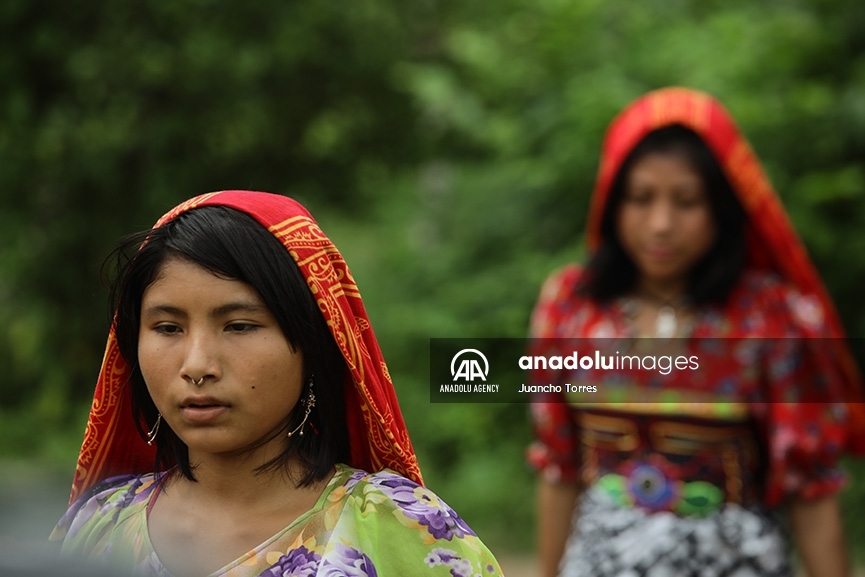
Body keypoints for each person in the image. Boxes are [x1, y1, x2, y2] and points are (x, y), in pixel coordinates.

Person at [50, 191, 503, 577]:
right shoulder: (97, 528)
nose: (197, 365)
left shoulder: (403, 529)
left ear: (313, 344)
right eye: (168, 328)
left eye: (240, 326)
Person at [527, 88, 865, 577]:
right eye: (641, 199)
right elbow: (558, 470)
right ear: (611, 203)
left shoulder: (771, 317)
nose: (661, 224)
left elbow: (809, 488)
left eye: (686, 202)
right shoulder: (571, 307)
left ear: (721, 209)